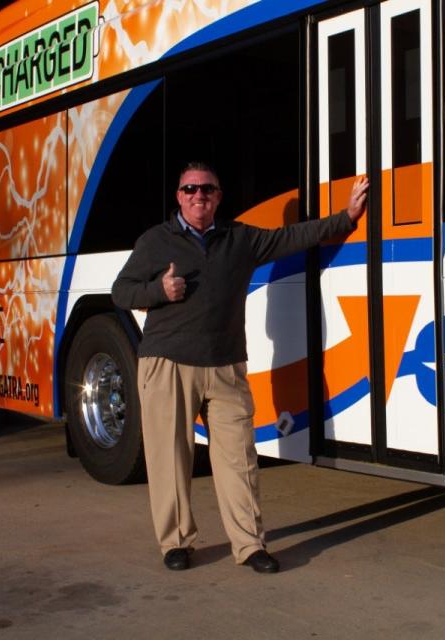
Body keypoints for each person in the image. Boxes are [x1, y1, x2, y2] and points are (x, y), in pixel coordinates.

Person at [112, 161, 368, 573]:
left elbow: (292, 237)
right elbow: (120, 292)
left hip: (225, 365)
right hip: (168, 363)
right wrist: (157, 290)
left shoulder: (239, 238)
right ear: (179, 196)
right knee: (170, 457)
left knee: (239, 459)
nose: (199, 196)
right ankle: (176, 542)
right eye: (191, 189)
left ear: (218, 196)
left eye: (208, 190)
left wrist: (347, 217)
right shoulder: (155, 242)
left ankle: (249, 545)